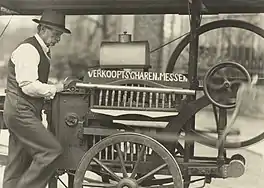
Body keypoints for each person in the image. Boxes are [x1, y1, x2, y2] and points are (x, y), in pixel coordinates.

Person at [2, 9, 71, 188]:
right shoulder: (28, 50)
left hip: (22, 111)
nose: (58, 39)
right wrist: (54, 89)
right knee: (52, 151)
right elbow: (28, 85)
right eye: (56, 34)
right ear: (42, 29)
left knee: (18, 162)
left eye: (60, 35)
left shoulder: (41, 50)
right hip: (20, 111)